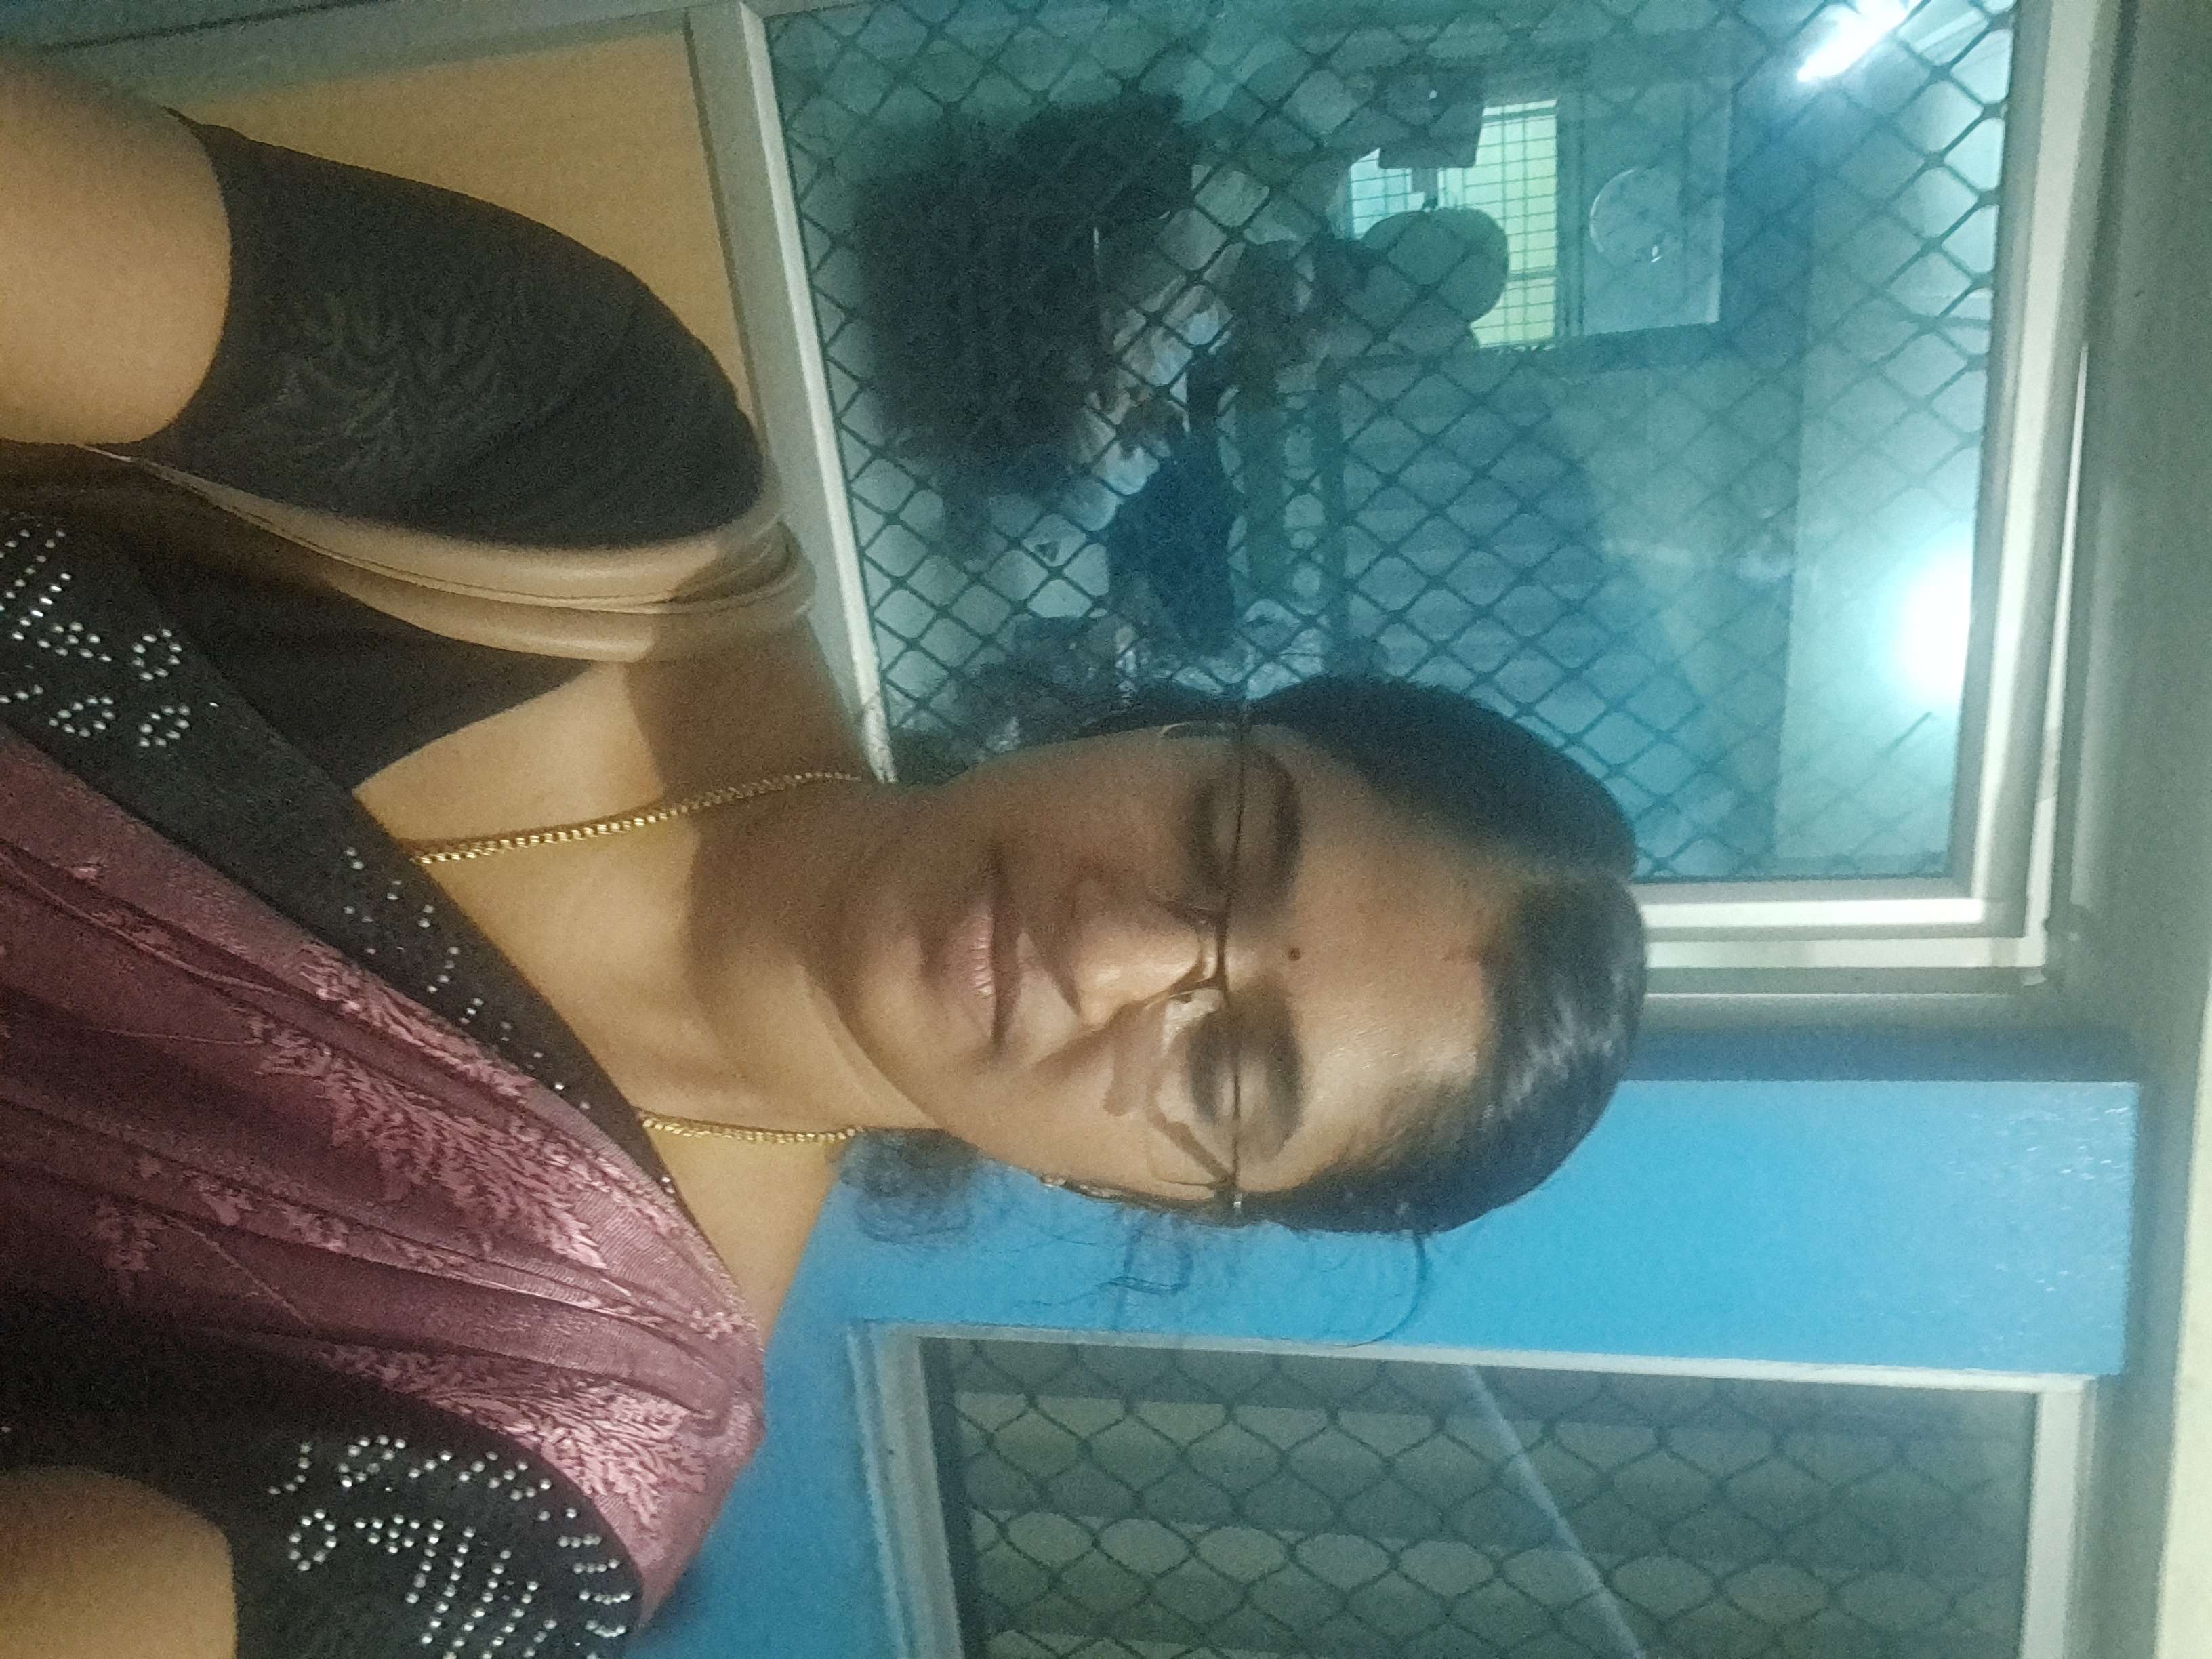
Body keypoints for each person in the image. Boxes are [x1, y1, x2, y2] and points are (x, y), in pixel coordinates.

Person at [0, 51, 1645, 1659]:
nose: (1113, 953)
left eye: (1226, 1072)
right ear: (1163, 724)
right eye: (1223, 839)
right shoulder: (580, 460)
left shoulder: (543, 1479)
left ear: (1154, 1191)